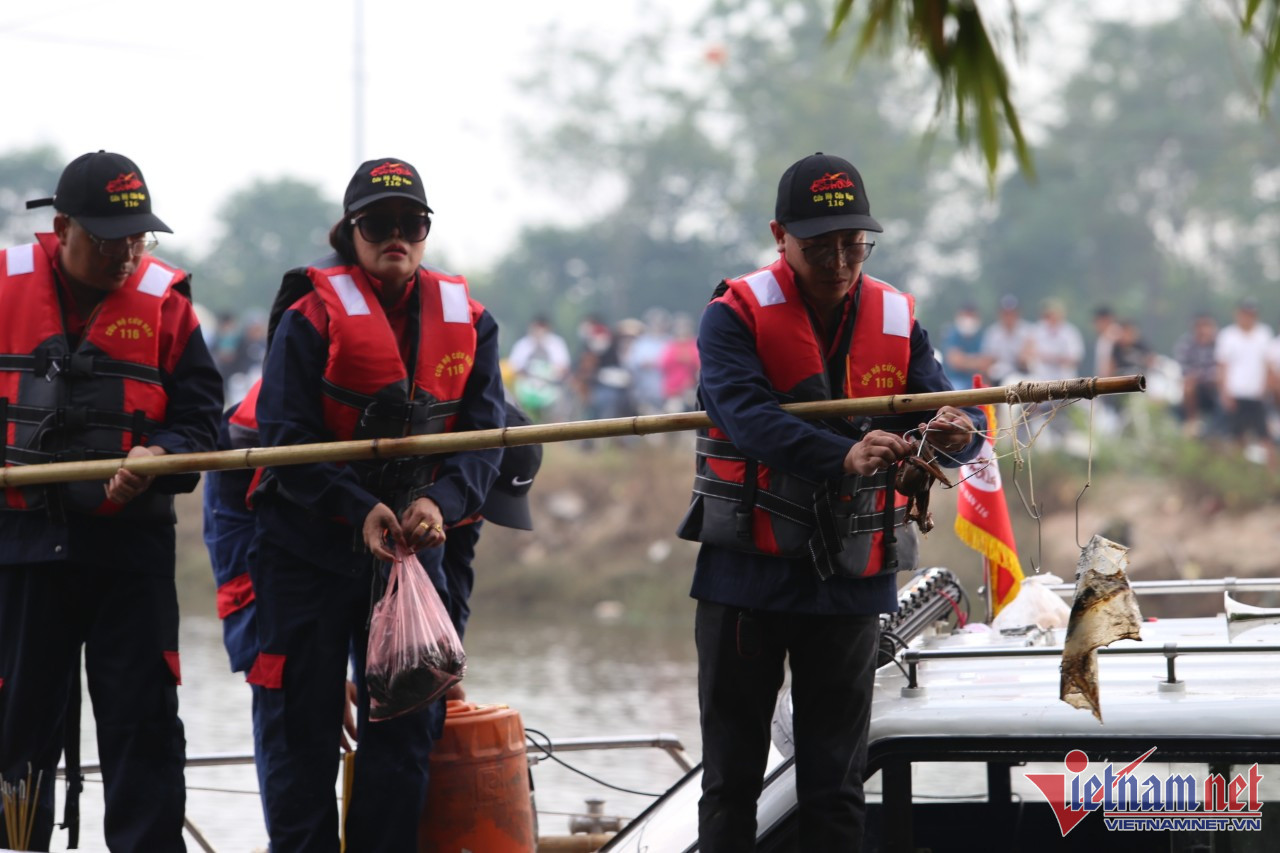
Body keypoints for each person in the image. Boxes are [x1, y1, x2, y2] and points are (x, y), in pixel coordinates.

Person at [676, 152, 982, 851]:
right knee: (730, 783)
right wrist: (842, 453)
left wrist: (950, 440)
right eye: (821, 246)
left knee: (837, 786)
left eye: (854, 244)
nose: (841, 261)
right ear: (780, 234)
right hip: (747, 577)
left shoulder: (898, 317)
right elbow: (746, 415)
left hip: (851, 579)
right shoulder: (732, 316)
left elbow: (950, 412)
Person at [246, 157, 504, 851]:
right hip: (308, 550)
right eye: (378, 223)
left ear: (425, 231)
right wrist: (355, 505)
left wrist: (440, 502)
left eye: (411, 222)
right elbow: (283, 438)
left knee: (406, 731)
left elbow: (484, 444)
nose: (397, 234)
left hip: (413, 557)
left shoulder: (472, 322)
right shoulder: (308, 318)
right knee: (301, 731)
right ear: (349, 233)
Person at [0, 151, 222, 851]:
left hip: (131, 556)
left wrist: (158, 456)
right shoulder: (3, 291)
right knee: (16, 726)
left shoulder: (170, 306)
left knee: (144, 726)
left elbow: (203, 421)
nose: (126, 253)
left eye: (137, 236)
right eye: (107, 237)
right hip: (22, 550)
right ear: (61, 226)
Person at [1215, 298, 1274, 464]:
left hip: (1257, 394)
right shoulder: (1228, 335)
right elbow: (1222, 367)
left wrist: (1266, 389)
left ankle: (1273, 475)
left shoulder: (1264, 334)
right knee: (1237, 436)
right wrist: (1225, 393)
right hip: (1236, 392)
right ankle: (1238, 471)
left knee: (1265, 435)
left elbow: (1267, 364)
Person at [507, 315, 570, 422]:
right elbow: (514, 366)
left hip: (550, 386)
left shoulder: (556, 343)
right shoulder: (523, 344)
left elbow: (563, 367)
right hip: (526, 386)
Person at [1173, 312, 1221, 435]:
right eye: (1201, 326)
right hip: (1195, 387)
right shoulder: (1186, 344)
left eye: (1207, 326)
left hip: (1216, 386)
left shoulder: (1221, 343)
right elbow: (1184, 370)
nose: (1204, 330)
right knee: (1189, 385)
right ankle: (1192, 423)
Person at [979, 293, 1032, 385]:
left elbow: (1028, 358)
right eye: (1006, 313)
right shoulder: (993, 333)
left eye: (1011, 313)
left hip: (1023, 374)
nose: (1009, 317)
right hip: (1001, 375)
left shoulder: (1027, 331)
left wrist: (1025, 357)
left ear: (1017, 313)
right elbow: (987, 361)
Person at [940, 303, 993, 390]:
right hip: (955, 381)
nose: (969, 320)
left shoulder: (982, 335)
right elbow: (955, 361)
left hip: (978, 382)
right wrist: (977, 362)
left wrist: (965, 360)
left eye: (972, 316)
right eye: (966, 315)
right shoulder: (952, 334)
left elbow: (987, 362)